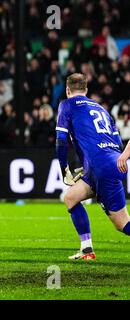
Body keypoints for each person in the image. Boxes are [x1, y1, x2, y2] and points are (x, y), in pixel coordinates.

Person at [56, 73, 130, 261]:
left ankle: (87, 250)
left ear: (67, 90)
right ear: (86, 90)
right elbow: (117, 146)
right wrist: (90, 166)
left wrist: (64, 167)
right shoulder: (102, 109)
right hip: (110, 163)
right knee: (71, 198)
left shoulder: (66, 104)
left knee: (122, 225)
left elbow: (61, 141)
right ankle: (86, 249)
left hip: (101, 168)